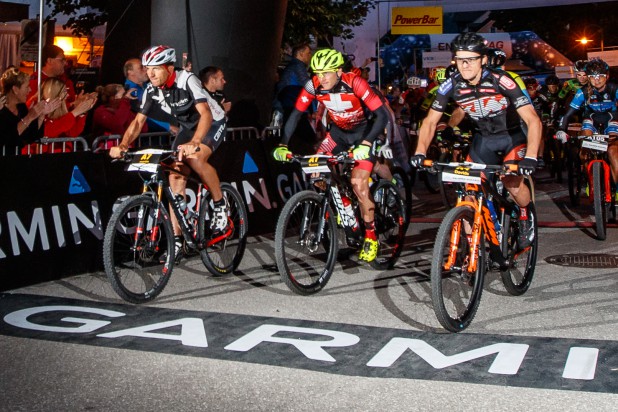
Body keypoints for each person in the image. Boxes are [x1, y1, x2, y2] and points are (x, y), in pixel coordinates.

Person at [410, 33, 542, 249]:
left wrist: (531, 156)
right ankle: (474, 250)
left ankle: (526, 215)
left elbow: (532, 119)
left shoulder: (502, 80)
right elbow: (430, 121)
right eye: (460, 59)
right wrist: (420, 152)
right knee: (469, 191)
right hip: (484, 141)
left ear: (483, 60)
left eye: (470, 59)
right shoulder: (451, 84)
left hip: (512, 137)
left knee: (512, 184)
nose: (464, 65)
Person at [109, 45, 230, 261]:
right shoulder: (151, 89)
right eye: (147, 69)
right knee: (174, 178)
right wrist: (124, 145)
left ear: (169, 67)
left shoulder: (187, 80)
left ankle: (220, 204)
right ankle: (176, 240)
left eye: (155, 69)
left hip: (212, 122)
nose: (150, 74)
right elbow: (138, 122)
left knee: (194, 157)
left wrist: (195, 142)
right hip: (187, 127)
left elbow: (205, 115)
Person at [273, 48, 389, 263]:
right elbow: (296, 114)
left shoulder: (355, 82)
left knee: (358, 183)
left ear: (338, 71)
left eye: (326, 73)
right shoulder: (313, 85)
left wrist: (365, 143)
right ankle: (343, 203)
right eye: (317, 72)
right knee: (316, 173)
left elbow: (382, 116)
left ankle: (371, 237)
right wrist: (283, 144)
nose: (321, 78)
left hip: (364, 133)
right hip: (338, 135)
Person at [556, 58, 618, 194]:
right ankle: (591, 179)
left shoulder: (614, 89)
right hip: (591, 121)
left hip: (612, 120)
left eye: (600, 76)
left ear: (606, 76)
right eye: (592, 77)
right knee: (583, 151)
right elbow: (567, 114)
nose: (596, 80)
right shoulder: (582, 92)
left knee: (614, 152)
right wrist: (561, 129)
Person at [23, 77, 97, 154]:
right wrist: (74, 113)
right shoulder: (35, 106)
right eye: (64, 91)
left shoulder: (63, 107)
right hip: (38, 156)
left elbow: (72, 133)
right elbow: (47, 131)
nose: (67, 95)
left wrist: (82, 112)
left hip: (61, 155)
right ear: (55, 92)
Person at [0, 67, 61, 155]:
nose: (30, 90)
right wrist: (29, 117)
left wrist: (41, 115)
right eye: (27, 87)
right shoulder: (1, 109)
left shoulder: (21, 107)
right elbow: (8, 137)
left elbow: (31, 136)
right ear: (15, 89)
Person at [123, 57, 171, 133]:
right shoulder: (129, 91)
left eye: (145, 67)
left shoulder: (150, 86)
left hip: (162, 133)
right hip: (147, 136)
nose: (146, 70)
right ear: (130, 72)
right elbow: (140, 116)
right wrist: (168, 127)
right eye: (141, 67)